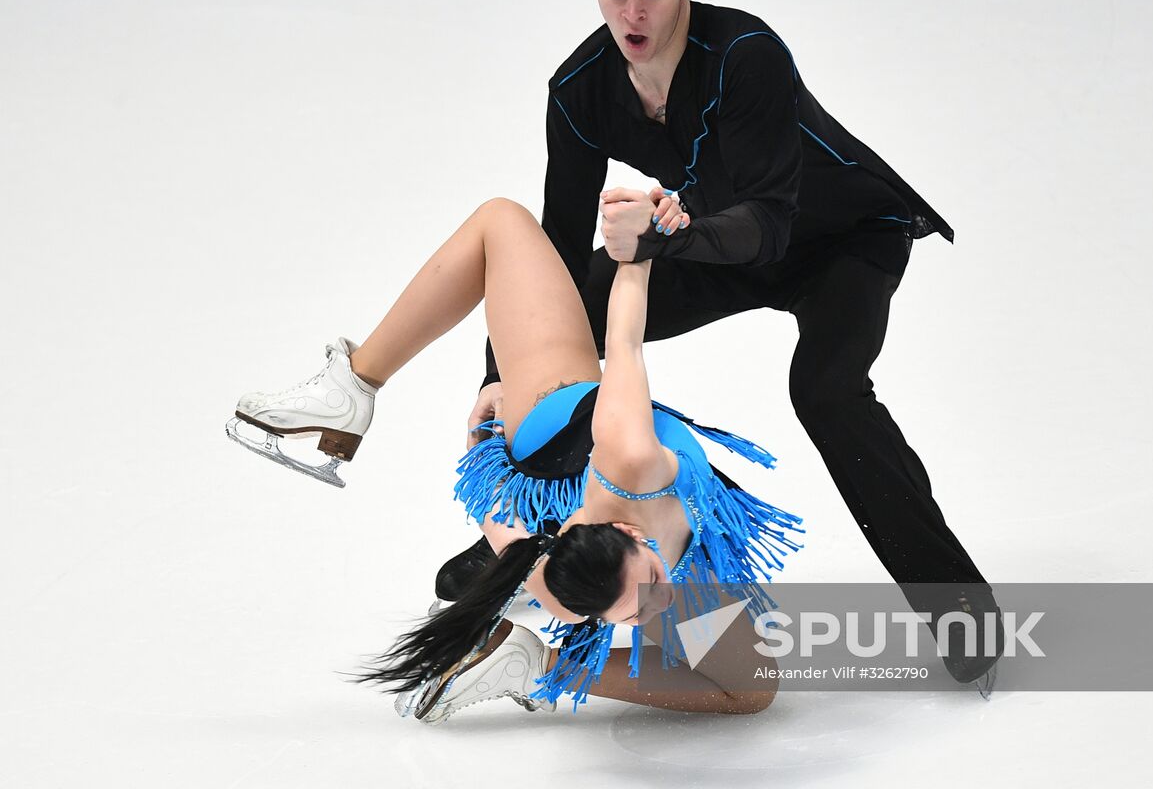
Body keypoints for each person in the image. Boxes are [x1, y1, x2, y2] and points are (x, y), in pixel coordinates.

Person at [436, 0, 1002, 689]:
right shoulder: (581, 87)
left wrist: (668, 235)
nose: (633, 15)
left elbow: (771, 222)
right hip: (718, 237)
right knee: (580, 307)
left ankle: (960, 612)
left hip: (841, 238)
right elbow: (554, 250)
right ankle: (540, 549)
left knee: (827, 390)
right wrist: (497, 375)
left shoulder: (746, 55)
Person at [228, 195, 804, 723]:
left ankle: (351, 387)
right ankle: (533, 662)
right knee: (753, 690)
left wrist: (639, 244)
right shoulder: (615, 506)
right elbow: (619, 347)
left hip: (550, 439)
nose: (659, 600)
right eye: (641, 603)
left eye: (642, 596)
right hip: (603, 477)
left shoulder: (606, 492)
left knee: (501, 222)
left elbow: (624, 336)